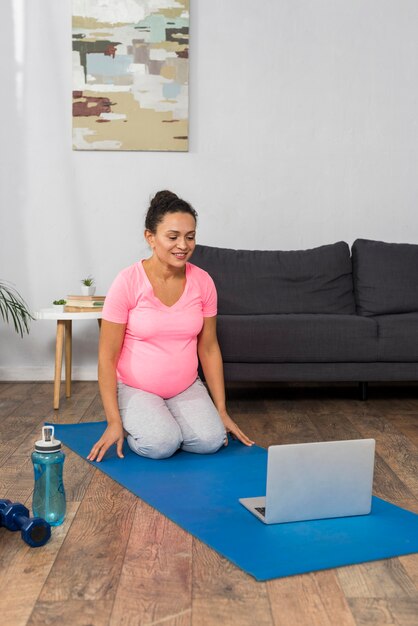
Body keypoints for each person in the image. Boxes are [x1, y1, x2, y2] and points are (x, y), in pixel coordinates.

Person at [87, 190, 254, 462]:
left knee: (212, 440)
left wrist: (221, 410)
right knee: (161, 444)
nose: (183, 245)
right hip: (136, 386)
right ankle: (145, 423)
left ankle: (166, 420)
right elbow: (107, 358)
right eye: (173, 236)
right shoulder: (127, 282)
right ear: (150, 238)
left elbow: (209, 348)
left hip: (185, 386)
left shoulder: (203, 282)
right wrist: (113, 421)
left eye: (190, 236)